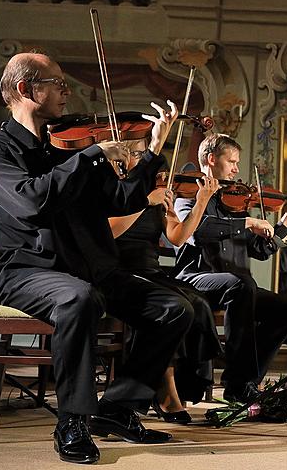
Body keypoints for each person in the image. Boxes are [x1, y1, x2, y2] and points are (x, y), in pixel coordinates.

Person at [0, 52, 193, 464]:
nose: (67, 90)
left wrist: (152, 153)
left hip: (92, 267)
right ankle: (71, 420)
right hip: (31, 272)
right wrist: (91, 156)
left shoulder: (70, 146)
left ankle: (117, 409)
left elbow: (123, 198)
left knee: (174, 308)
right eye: (56, 82)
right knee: (79, 298)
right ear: (25, 89)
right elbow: (31, 203)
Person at [171, 133, 287, 403]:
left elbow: (261, 250)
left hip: (237, 286)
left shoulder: (235, 202)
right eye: (231, 161)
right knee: (241, 285)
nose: (236, 168)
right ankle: (236, 382)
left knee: (286, 308)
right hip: (196, 279)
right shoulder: (188, 196)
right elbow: (198, 233)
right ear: (211, 160)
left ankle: (248, 379)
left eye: (237, 162)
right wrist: (246, 223)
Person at [108, 138, 222, 423]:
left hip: (151, 271)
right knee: (175, 306)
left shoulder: (158, 194)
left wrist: (202, 201)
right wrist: (145, 200)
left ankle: (175, 386)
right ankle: (167, 391)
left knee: (197, 304)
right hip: (120, 270)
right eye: (135, 153)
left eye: (142, 154)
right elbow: (110, 233)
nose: (141, 159)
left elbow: (178, 237)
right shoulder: (115, 189)